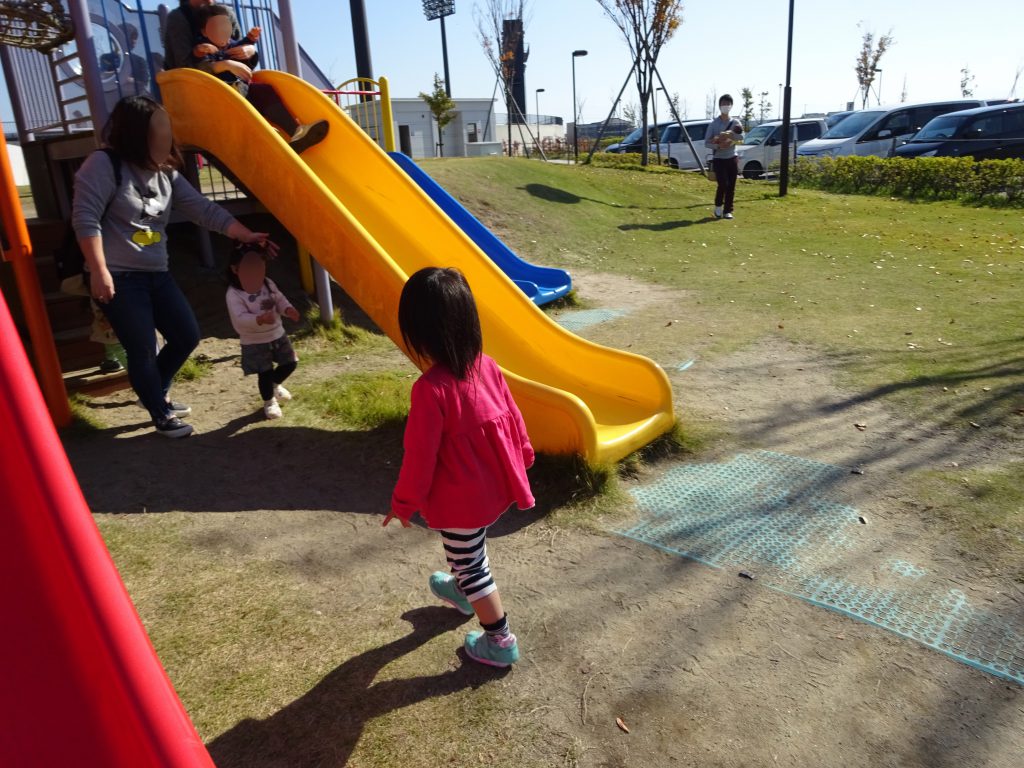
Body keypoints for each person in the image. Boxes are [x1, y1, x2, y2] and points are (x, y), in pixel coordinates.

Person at [72, 95, 275, 438]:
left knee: (186, 336)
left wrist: (244, 233)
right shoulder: (104, 164)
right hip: (119, 276)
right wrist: (99, 270)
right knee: (141, 348)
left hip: (157, 273)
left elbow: (202, 209)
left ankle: (155, 391)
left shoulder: (165, 172)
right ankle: (160, 413)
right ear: (137, 132)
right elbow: (85, 218)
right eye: (158, 130)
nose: (166, 137)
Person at [383, 267, 535, 668]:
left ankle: (500, 640)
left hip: (460, 501)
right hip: (491, 489)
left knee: (471, 564)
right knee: (468, 548)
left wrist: (402, 503)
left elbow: (419, 456)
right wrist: (524, 455)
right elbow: (514, 418)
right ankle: (462, 592)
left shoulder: (430, 390)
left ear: (417, 333)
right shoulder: (487, 365)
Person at [164, 1, 327, 154]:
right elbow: (185, 66)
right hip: (202, 93)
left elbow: (240, 53)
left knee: (263, 91)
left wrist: (250, 50)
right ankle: (267, 136)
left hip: (234, 84)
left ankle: (296, 132)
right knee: (240, 104)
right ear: (204, 31)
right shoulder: (182, 21)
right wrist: (219, 63)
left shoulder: (224, 12)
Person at [225, 242, 300, 420]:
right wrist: (259, 319)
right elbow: (239, 318)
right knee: (264, 372)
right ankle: (269, 401)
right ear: (235, 269)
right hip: (255, 341)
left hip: (277, 333)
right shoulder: (234, 294)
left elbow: (279, 299)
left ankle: (274, 384)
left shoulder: (267, 283)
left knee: (290, 362)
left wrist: (288, 309)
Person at [704, 94, 744, 220]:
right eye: (723, 104)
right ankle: (718, 207)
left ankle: (728, 211)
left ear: (731, 106)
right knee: (723, 184)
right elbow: (706, 142)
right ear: (719, 106)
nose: (725, 106)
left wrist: (731, 136)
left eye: (728, 104)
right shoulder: (714, 124)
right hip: (719, 159)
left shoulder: (735, 123)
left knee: (731, 185)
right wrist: (718, 145)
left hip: (732, 157)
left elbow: (742, 137)